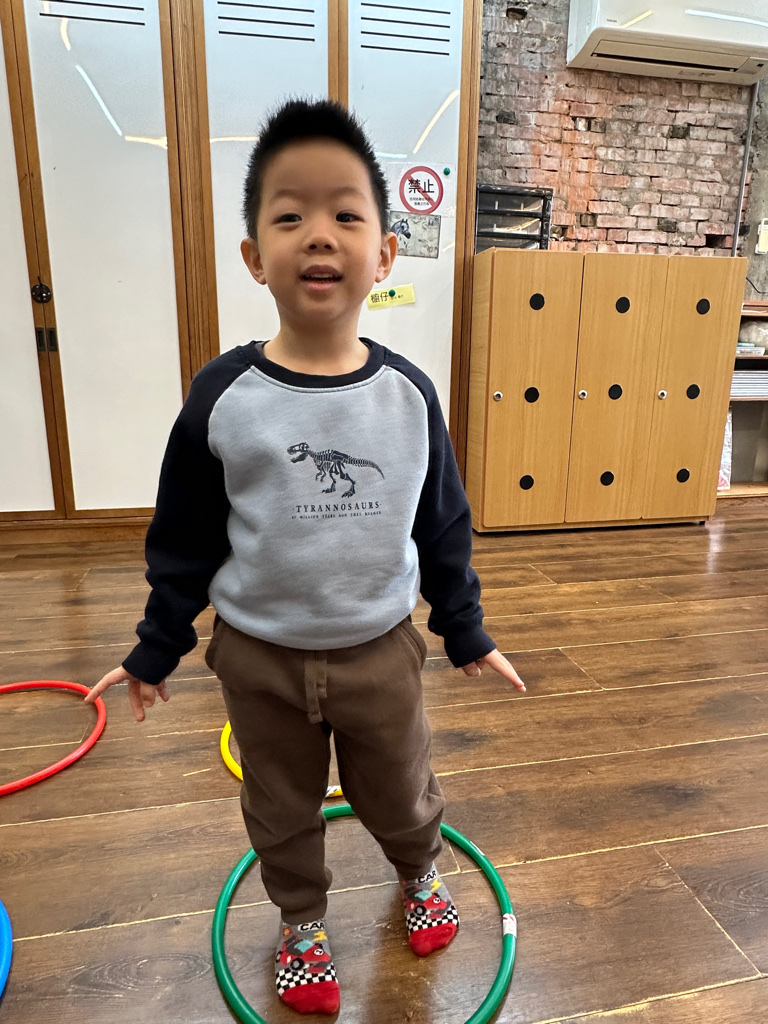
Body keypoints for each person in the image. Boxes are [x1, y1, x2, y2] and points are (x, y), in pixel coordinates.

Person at [85, 98, 526, 1016]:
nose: (319, 234)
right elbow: (184, 536)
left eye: (345, 214)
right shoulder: (223, 395)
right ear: (255, 256)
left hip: (380, 651)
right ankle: (301, 922)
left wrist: (465, 627)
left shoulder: (409, 395)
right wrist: (156, 645)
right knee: (280, 807)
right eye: (290, 215)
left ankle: (420, 871)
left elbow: (442, 523)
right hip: (260, 658)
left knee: (400, 791)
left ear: (385, 254)